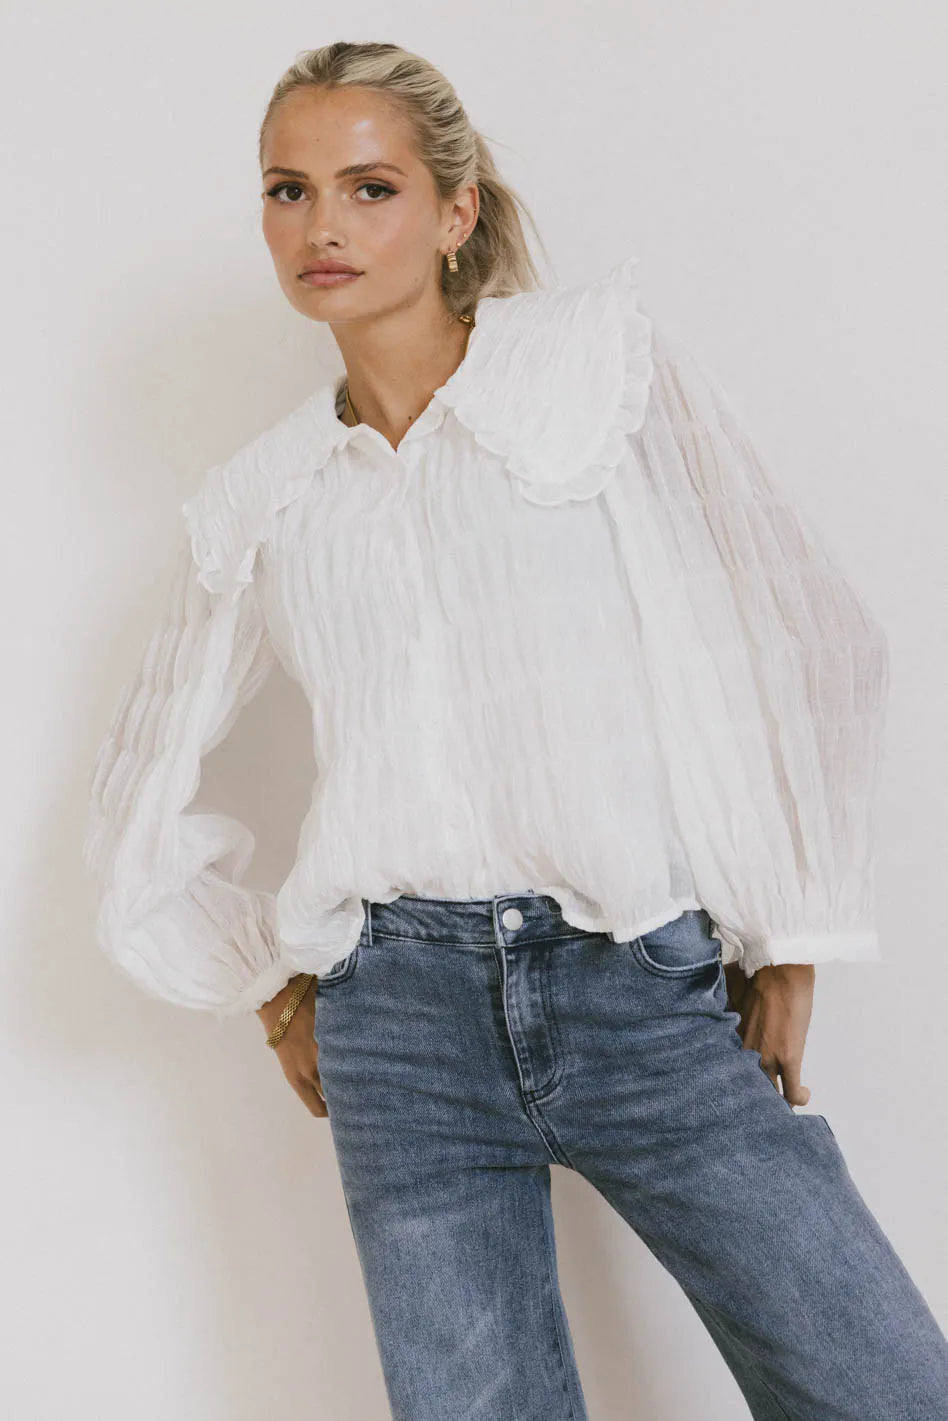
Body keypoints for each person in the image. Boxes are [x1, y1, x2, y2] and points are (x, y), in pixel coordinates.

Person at [81, 40, 948, 1421]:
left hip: (635, 983)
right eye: (290, 191)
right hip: (399, 1029)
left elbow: (798, 621)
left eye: (369, 188)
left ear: (456, 209)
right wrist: (277, 989)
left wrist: (793, 931)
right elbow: (139, 779)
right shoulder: (268, 496)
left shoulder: (593, 372)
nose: (322, 227)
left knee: (882, 1388)